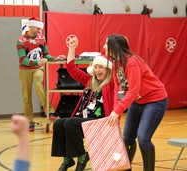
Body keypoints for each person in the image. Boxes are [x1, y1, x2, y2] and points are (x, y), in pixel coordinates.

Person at [51, 35, 114, 171]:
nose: (97, 70)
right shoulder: (89, 81)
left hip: (99, 121)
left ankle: (81, 155)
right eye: (95, 67)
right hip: (83, 118)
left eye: (100, 68)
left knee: (71, 123)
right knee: (58, 123)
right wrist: (71, 49)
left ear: (107, 70)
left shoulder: (111, 83)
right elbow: (72, 69)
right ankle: (68, 159)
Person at [106, 34, 168, 171]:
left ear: (114, 47)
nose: (104, 47)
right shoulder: (117, 63)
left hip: (155, 100)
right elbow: (118, 89)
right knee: (127, 138)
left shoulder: (132, 62)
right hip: (137, 101)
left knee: (143, 138)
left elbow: (133, 90)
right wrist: (117, 110)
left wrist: (117, 110)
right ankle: (126, 168)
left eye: (106, 44)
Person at [17, 16, 65, 131]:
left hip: (38, 68)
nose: (39, 30)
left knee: (39, 85)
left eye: (40, 28)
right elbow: (23, 60)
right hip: (25, 70)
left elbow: (46, 54)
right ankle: (29, 121)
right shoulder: (21, 41)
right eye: (37, 28)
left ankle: (50, 110)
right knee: (26, 97)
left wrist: (55, 58)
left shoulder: (42, 38)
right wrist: (37, 61)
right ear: (31, 26)